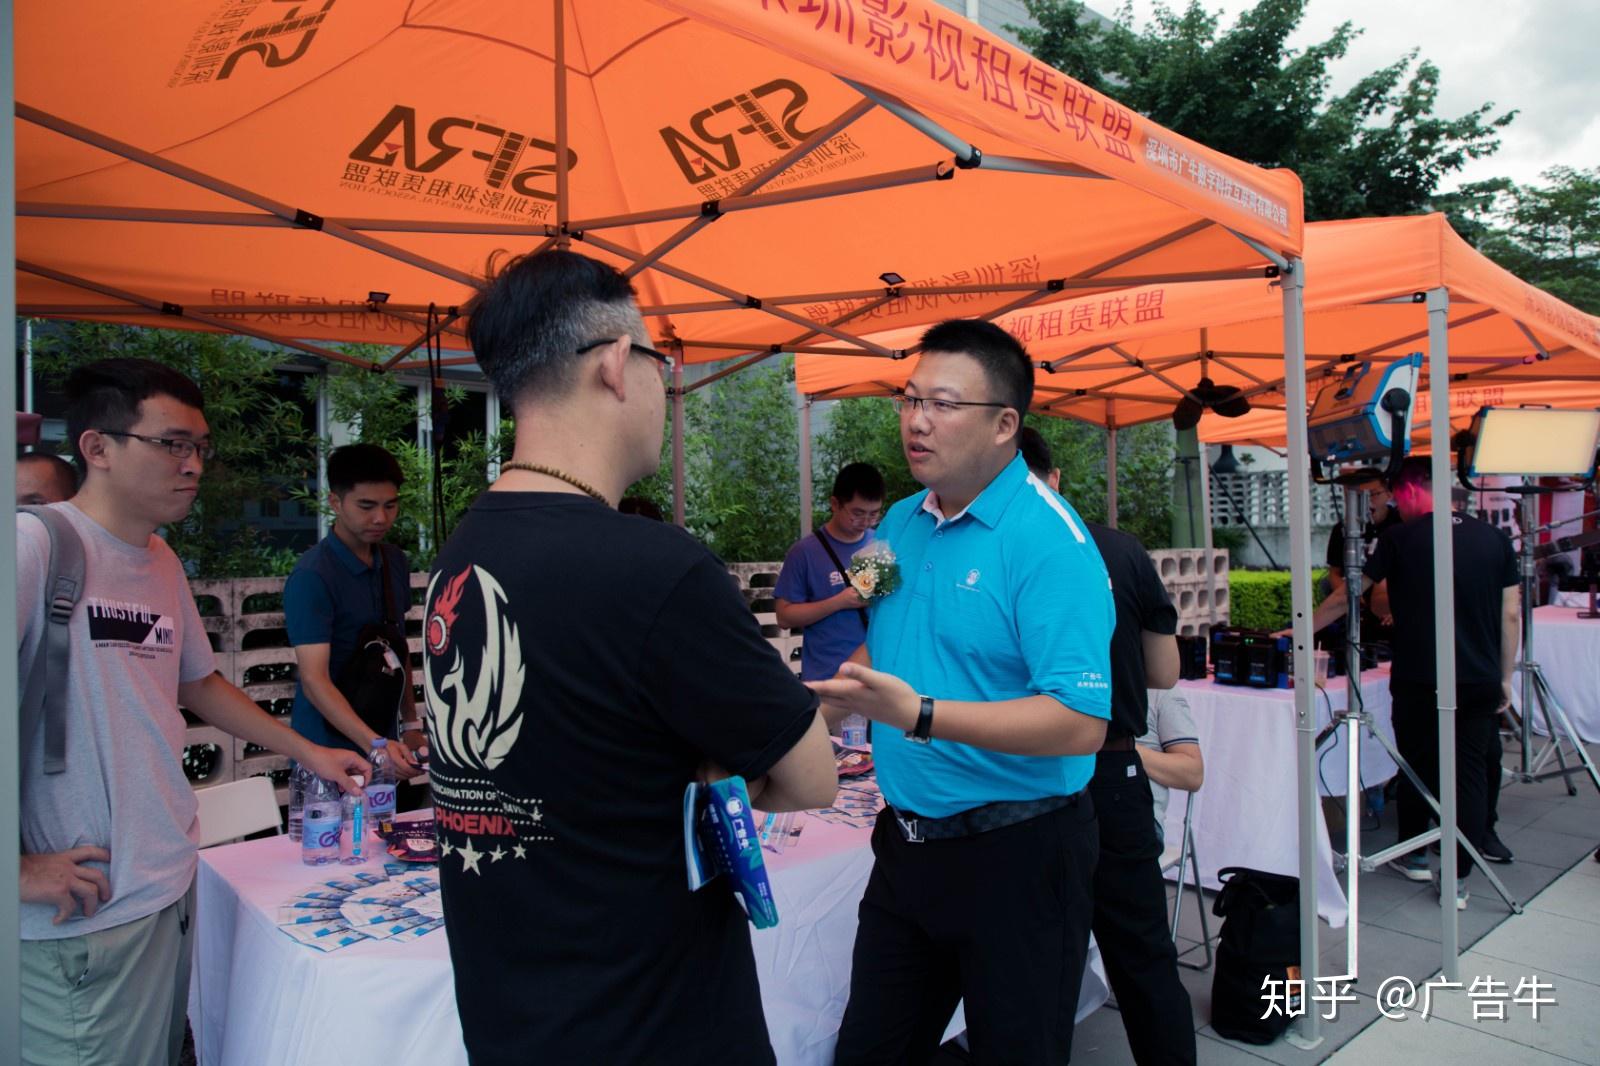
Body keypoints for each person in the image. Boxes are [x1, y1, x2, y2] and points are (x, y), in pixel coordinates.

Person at [422, 249, 836, 1065]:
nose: (663, 387)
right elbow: (812, 776)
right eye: (659, 361)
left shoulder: (463, 548)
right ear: (616, 363)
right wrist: (715, 763)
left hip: (513, 1018)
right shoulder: (657, 568)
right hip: (656, 1023)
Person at [17, 358, 366, 1066]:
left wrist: (311, 752)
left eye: (201, 447)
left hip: (166, 887)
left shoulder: (159, 561)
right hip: (78, 919)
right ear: (98, 447)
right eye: (172, 444)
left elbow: (201, 684)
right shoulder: (35, 547)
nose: (194, 465)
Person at [811, 320, 1114, 1065]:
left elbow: (1080, 722)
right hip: (908, 847)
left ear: (1005, 424)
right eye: (909, 399)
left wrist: (919, 716)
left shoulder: (1052, 544)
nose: (916, 421)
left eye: (942, 404)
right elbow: (879, 633)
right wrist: (820, 705)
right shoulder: (900, 528)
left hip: (1021, 855)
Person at [1020, 426, 1194, 1066]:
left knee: (1041, 966)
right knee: (1143, 954)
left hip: (1028, 774)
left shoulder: (994, 552)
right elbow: (1164, 672)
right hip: (1112, 766)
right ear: (1056, 479)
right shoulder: (1119, 550)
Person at [1303, 457, 1519, 908]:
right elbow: (1510, 614)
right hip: (1479, 677)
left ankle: (1417, 855)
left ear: (1412, 489)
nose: (1396, 505)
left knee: (1420, 767)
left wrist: (1298, 631)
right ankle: (1458, 881)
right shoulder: (1494, 538)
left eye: (1396, 496)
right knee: (1469, 775)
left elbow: (1348, 596)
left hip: (1421, 677)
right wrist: (1504, 676)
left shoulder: (1400, 539)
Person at [284, 444, 423, 778]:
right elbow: (315, 681)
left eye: (390, 505)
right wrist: (376, 744)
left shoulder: (394, 561)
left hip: (384, 744)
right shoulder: (312, 575)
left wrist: (410, 723)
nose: (381, 518)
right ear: (335, 503)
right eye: (366, 506)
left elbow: (397, 648)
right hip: (324, 752)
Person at [773, 462, 886, 682]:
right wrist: (839, 602)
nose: (865, 522)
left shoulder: (881, 544)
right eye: (857, 513)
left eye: (873, 515)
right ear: (835, 504)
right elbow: (784, 616)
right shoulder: (804, 553)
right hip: (828, 676)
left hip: (876, 673)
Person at [1319, 473, 1401, 666]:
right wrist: (1355, 598)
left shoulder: (1400, 525)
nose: (1368, 502)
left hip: (1392, 613)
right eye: (1357, 496)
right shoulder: (1342, 530)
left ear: (1389, 494)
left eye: (1373, 494)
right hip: (1356, 610)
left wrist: (1395, 606)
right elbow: (1335, 572)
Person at [1137, 688, 1204, 841]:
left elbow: (1193, 774)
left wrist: (1124, 750)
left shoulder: (1161, 692)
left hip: (1136, 821)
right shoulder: (1084, 683)